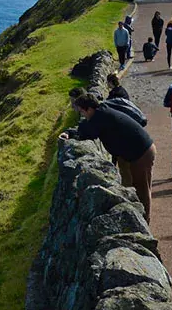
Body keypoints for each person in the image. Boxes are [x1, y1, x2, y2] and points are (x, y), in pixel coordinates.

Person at [61, 95, 156, 223]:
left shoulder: (100, 117)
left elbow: (87, 133)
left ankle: (144, 221)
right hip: (132, 152)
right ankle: (132, 215)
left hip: (141, 153)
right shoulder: (101, 110)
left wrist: (71, 133)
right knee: (128, 184)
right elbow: (85, 126)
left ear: (89, 109)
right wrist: (70, 132)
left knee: (142, 188)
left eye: (81, 111)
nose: (82, 115)